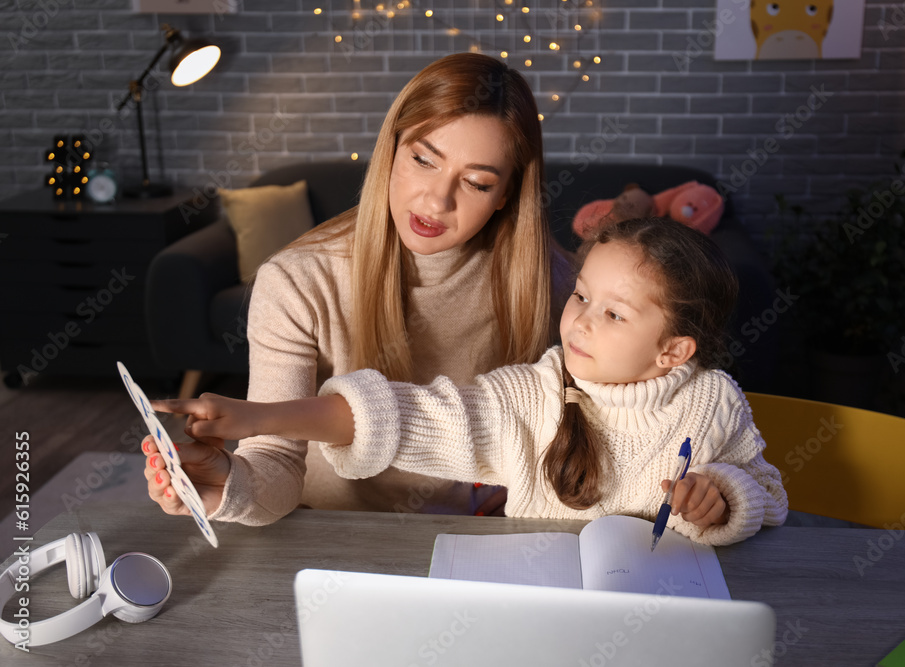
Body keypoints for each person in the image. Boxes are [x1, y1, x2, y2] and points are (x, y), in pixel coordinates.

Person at [150, 217, 788, 545]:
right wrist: (257, 419)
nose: (581, 321)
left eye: (614, 314)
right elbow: (397, 414)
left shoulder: (715, 401)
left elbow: (767, 489)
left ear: (673, 351)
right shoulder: (533, 396)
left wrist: (726, 496)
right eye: (583, 296)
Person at [144, 52, 574, 525]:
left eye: (476, 183)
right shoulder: (297, 281)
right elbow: (275, 465)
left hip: (467, 533)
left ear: (505, 196)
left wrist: (535, 481)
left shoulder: (547, 280)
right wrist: (227, 483)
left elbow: (602, 416)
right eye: (423, 159)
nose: (437, 200)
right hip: (323, 528)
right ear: (390, 150)